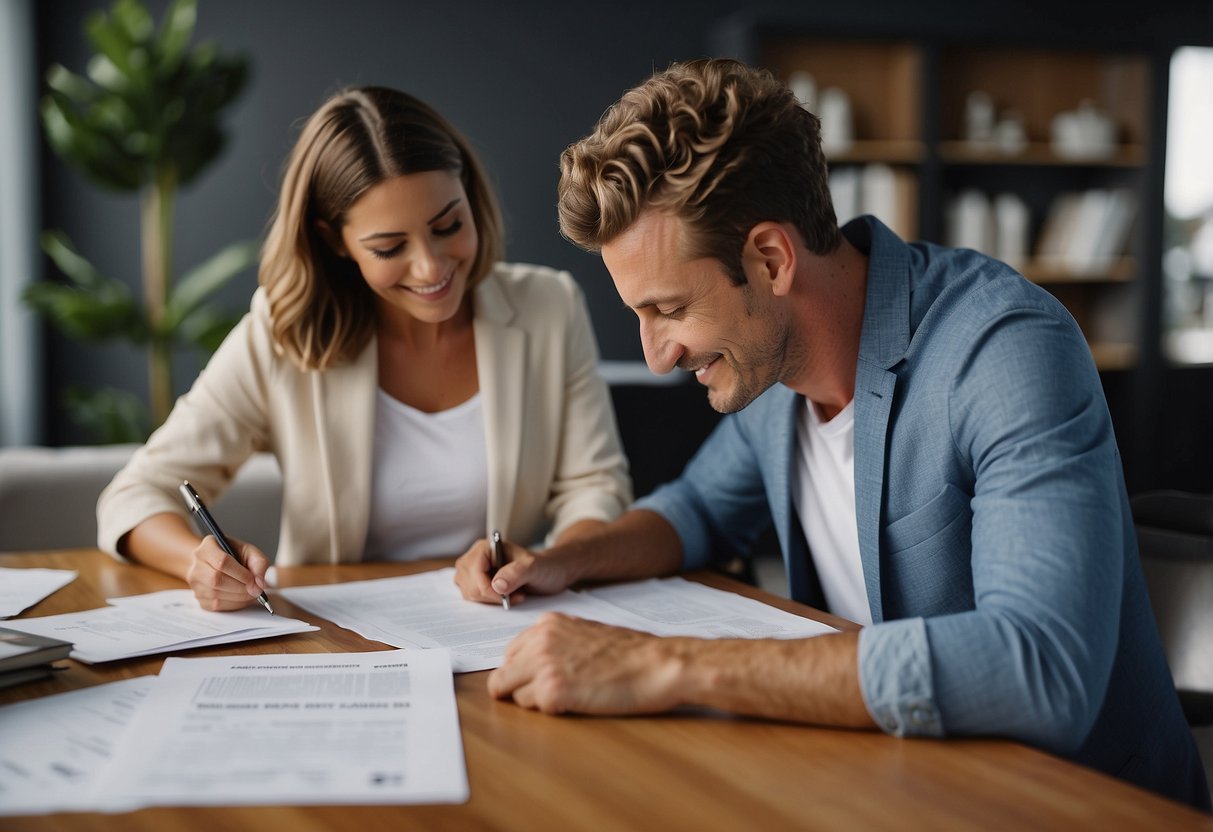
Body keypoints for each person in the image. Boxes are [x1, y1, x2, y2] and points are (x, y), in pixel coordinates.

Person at [453, 59, 1210, 809]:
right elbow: (696, 512)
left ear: (771, 259)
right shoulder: (769, 370)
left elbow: (1040, 669)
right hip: (888, 783)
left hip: (1066, 805)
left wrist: (661, 665)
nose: (656, 356)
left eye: (670, 310)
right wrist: (559, 561)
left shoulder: (1004, 351)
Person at [98, 86, 631, 611]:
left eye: (448, 225)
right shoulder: (284, 332)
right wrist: (200, 560)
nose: (431, 267)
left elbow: (596, 486)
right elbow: (135, 494)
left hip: (497, 628)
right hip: (339, 643)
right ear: (335, 241)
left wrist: (551, 561)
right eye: (390, 247)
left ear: (470, 196)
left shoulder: (549, 306)